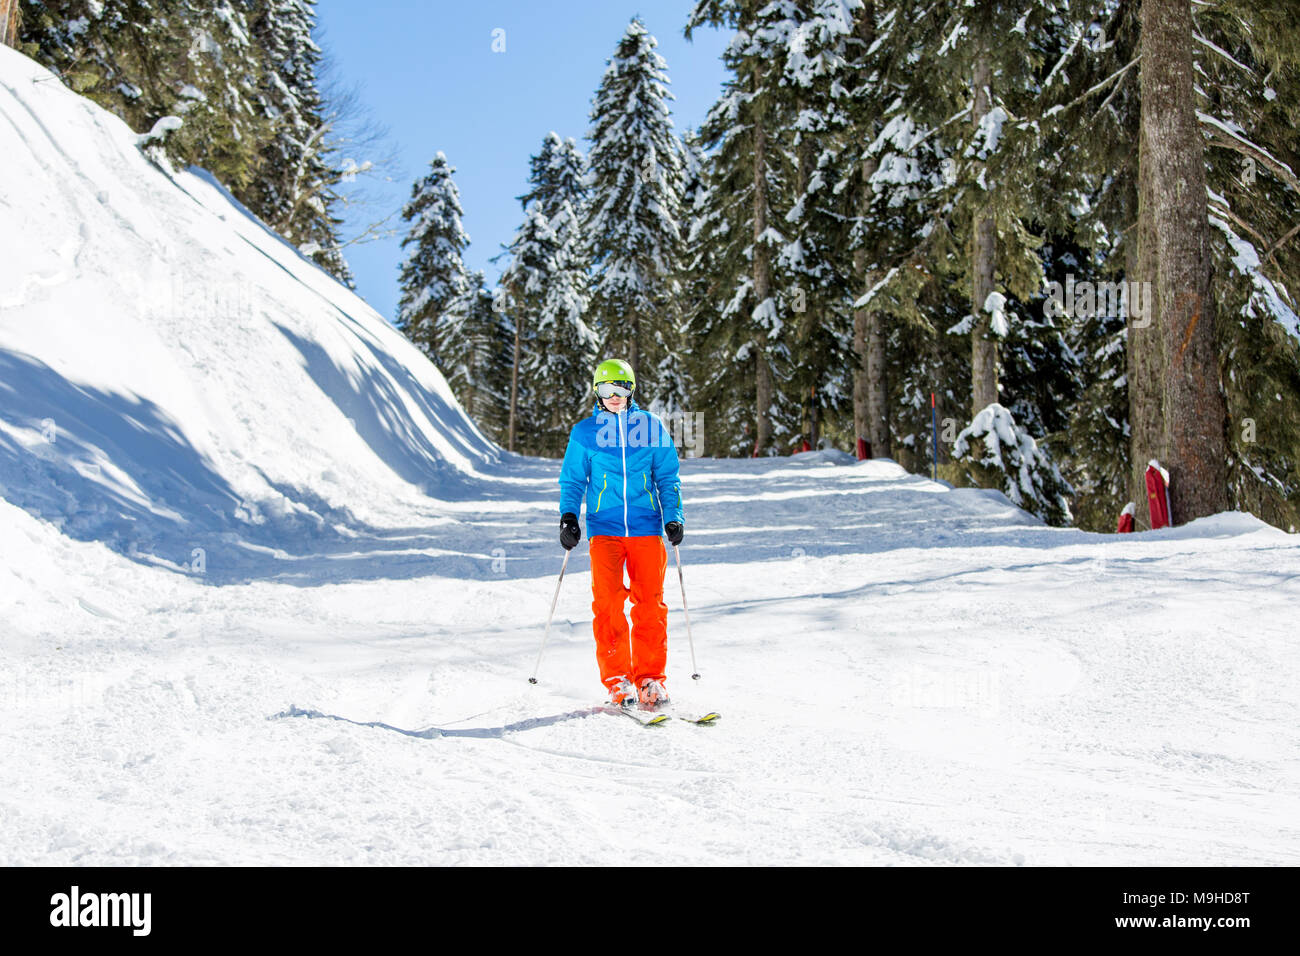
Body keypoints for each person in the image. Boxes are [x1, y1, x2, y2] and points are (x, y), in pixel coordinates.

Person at [557, 359, 685, 710]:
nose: (615, 397)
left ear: (632, 390)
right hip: (605, 530)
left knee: (650, 606)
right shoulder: (584, 433)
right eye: (607, 390)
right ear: (597, 392)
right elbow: (573, 480)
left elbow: (667, 478)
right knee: (609, 604)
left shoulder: (651, 427)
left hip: (646, 527)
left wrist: (673, 517)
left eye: (622, 389)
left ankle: (650, 680)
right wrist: (569, 517)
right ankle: (618, 681)